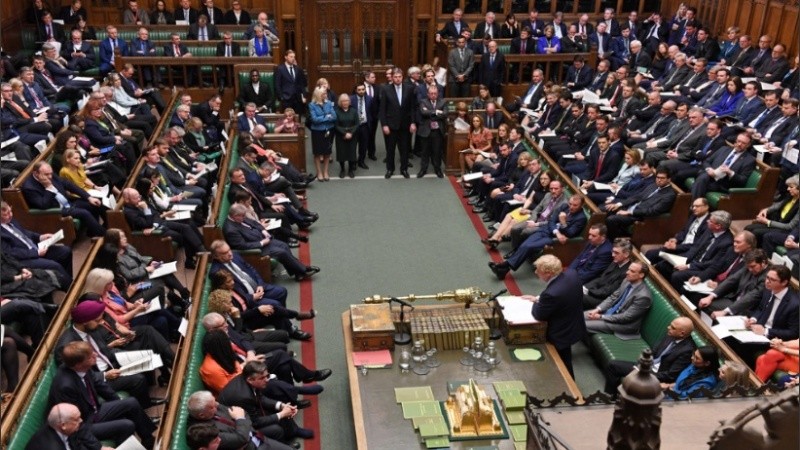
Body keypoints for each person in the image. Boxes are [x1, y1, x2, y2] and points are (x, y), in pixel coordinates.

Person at [48, 341, 156, 448]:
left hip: (94, 411)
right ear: (78, 364)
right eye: (90, 357)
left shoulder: (81, 367)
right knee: (127, 425)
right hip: (83, 423)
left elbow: (100, 386)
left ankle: (148, 440)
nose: (95, 355)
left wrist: (118, 405)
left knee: (131, 403)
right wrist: (98, 447)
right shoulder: (65, 386)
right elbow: (73, 423)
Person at [200, 330, 323, 406]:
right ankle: (298, 390)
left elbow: (237, 368)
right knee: (268, 382)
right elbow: (230, 389)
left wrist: (248, 362)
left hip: (247, 372)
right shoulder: (210, 369)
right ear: (220, 345)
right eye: (226, 341)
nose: (229, 342)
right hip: (241, 390)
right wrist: (247, 366)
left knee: (281, 360)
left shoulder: (222, 353)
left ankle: (294, 395)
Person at [489, 195, 587, 279]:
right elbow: (552, 220)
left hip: (554, 239)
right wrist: (556, 231)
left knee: (528, 246)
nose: (571, 207)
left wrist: (563, 223)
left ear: (581, 205)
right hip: (548, 231)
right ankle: (504, 270)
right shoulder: (564, 206)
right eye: (570, 204)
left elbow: (570, 233)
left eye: (575, 205)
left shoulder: (581, 218)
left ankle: (504, 265)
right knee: (525, 244)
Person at [218, 361, 314, 442]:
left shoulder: (248, 379)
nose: (267, 380)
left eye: (267, 376)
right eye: (262, 378)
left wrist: (281, 406)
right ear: (250, 380)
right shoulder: (243, 397)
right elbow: (255, 422)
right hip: (237, 425)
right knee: (276, 429)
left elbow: (261, 398)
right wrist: (281, 414)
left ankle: (294, 431)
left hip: (248, 410)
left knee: (279, 408)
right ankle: (284, 445)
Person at [526, 255, 585, 378]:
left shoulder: (552, 294)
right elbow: (561, 297)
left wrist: (536, 302)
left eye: (538, 270)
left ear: (549, 273)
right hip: (573, 323)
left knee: (562, 362)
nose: (536, 272)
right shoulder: (571, 274)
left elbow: (539, 314)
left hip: (560, 333)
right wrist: (539, 298)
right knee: (566, 359)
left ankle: (572, 390)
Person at [604, 317, 696, 394]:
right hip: (647, 367)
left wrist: (644, 373)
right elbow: (654, 350)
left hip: (657, 376)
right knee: (613, 365)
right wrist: (643, 359)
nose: (668, 327)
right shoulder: (671, 334)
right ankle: (609, 397)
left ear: (682, 333)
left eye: (673, 327)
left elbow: (671, 375)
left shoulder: (687, 350)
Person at [186, 391, 295, 450]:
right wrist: (240, 419)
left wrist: (241, 422)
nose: (217, 405)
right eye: (212, 406)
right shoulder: (203, 431)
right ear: (202, 415)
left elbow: (243, 413)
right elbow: (241, 438)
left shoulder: (212, 406)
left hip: (256, 436)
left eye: (215, 402)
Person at [584, 262, 652, 338]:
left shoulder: (643, 296)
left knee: (582, 325)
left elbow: (626, 317)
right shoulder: (626, 281)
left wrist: (600, 317)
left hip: (623, 325)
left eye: (632, 271)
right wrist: (597, 309)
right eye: (628, 269)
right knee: (579, 317)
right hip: (610, 313)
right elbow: (613, 297)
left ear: (641, 275)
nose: (627, 272)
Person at [25, 403, 110, 450]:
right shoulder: (52, 446)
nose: (81, 421)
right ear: (63, 425)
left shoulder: (63, 428)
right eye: (76, 419)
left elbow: (78, 445)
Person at [416, 85, 447, 178]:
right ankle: (423, 169)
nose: (433, 95)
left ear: (438, 94)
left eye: (435, 93)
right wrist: (437, 111)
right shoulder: (423, 101)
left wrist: (430, 112)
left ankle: (438, 169)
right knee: (425, 152)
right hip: (425, 131)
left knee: (437, 152)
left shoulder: (443, 102)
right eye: (431, 93)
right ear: (428, 94)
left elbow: (445, 114)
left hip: (437, 131)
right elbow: (423, 112)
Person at [308, 86, 335, 181]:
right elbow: (314, 120)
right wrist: (327, 117)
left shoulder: (329, 103)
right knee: (317, 153)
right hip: (317, 131)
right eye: (324, 94)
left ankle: (325, 171)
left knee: (327, 152)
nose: (326, 95)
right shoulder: (312, 105)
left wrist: (322, 118)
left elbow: (334, 116)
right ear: (319, 95)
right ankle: (319, 172)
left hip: (329, 130)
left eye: (326, 93)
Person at [273, 50, 307, 115]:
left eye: (294, 57)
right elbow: (277, 84)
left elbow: (302, 83)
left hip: (297, 98)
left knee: (297, 118)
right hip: (286, 99)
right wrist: (281, 97)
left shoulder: (298, 69)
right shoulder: (280, 69)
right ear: (286, 57)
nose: (293, 58)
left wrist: (304, 95)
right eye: (291, 57)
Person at [334, 93, 358, 178]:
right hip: (341, 136)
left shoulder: (354, 111)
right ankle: (342, 169)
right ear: (340, 102)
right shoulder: (336, 111)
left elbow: (357, 124)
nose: (345, 102)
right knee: (342, 153)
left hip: (352, 135)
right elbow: (336, 125)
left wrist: (350, 133)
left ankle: (351, 169)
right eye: (343, 101)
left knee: (351, 153)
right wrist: (345, 133)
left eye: (347, 100)